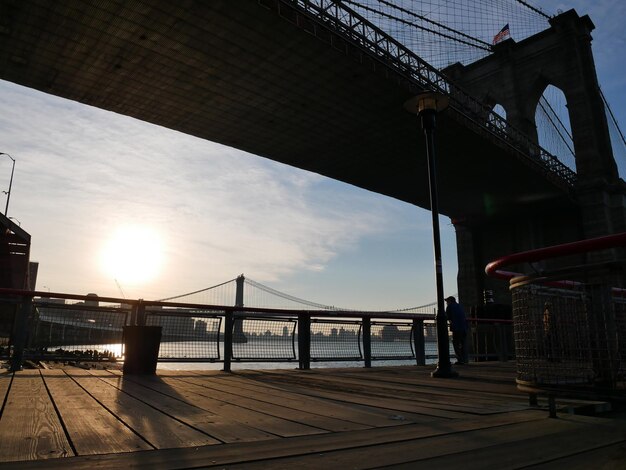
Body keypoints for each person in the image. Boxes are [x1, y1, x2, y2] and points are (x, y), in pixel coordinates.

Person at [445, 296, 468, 364]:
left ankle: (460, 360)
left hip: (456, 328)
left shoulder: (449, 307)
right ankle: (465, 359)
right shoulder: (460, 306)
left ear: (450, 301)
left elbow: (447, 317)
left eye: (447, 301)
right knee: (463, 344)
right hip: (464, 328)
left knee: (456, 344)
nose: (446, 303)